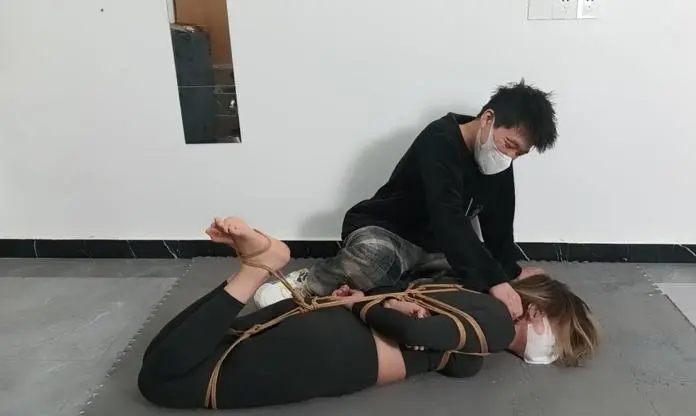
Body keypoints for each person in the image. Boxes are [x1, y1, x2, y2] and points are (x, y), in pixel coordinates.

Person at [137, 216, 599, 410]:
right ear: (535, 312)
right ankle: (257, 268)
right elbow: (403, 326)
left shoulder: (467, 312)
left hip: (331, 336)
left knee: (170, 362)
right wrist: (370, 304)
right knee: (162, 381)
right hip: (338, 355)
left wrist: (366, 301)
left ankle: (254, 269)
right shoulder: (495, 323)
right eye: (560, 337)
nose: (554, 350)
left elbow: (421, 330)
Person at [253, 80, 558, 319]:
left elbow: (499, 226)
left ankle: (391, 286)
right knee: (377, 260)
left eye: (520, 153)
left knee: (476, 287)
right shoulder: (440, 140)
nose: (510, 156)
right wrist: (496, 280)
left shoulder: (500, 162)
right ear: (488, 119)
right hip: (390, 233)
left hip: (435, 249)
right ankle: (311, 281)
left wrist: (511, 273)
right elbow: (447, 217)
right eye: (509, 145)